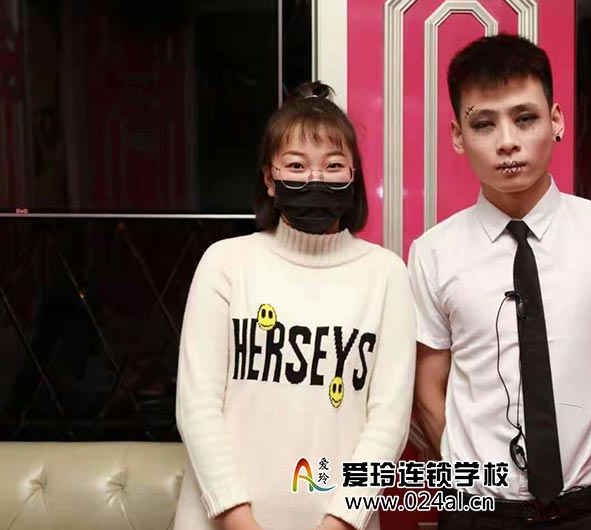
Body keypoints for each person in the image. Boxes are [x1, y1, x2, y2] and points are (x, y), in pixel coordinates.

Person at [410, 34, 591, 529]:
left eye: (525, 118)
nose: (507, 141)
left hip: (580, 512)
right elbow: (428, 392)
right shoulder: (433, 253)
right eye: (483, 124)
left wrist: (576, 450)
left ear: (556, 120)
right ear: (458, 136)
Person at [174, 82, 416, 530]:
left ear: (353, 177)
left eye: (333, 166)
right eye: (296, 165)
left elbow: (389, 421)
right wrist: (237, 519)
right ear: (269, 179)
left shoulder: (387, 274)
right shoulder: (226, 263)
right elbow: (196, 407)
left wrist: (341, 521)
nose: (315, 179)